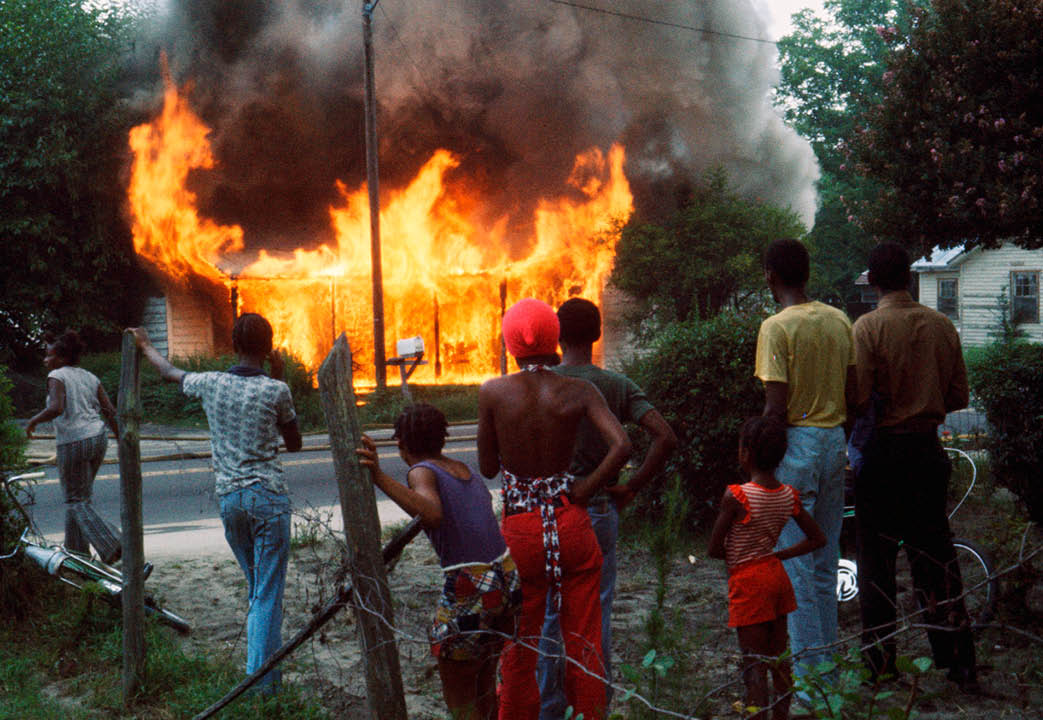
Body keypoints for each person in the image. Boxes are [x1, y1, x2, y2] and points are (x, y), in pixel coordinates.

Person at [477, 297, 632, 720]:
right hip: (571, 523)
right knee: (584, 640)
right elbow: (623, 445)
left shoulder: (493, 392)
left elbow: (489, 467)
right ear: (555, 339)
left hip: (521, 531)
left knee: (519, 645)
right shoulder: (580, 390)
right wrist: (584, 488)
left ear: (511, 343)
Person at [131, 314, 302, 692]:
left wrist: (145, 346)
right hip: (268, 498)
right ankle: (261, 686)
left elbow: (169, 373)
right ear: (269, 347)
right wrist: (280, 376)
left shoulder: (211, 383)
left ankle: (265, 678)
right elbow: (294, 443)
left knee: (260, 590)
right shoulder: (276, 391)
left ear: (233, 345)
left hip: (231, 501)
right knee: (266, 594)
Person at [538, 297, 677, 720]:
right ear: (597, 335)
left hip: (552, 515)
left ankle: (549, 708)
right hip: (599, 512)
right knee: (596, 613)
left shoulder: (540, 385)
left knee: (549, 615)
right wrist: (630, 486)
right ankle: (594, 707)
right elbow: (664, 437)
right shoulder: (615, 385)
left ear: (557, 336)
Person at [852, 242, 978, 690]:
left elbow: (860, 397)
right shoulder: (942, 325)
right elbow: (959, 396)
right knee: (936, 557)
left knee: (878, 561)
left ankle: (881, 665)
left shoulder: (867, 328)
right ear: (907, 276)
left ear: (874, 280)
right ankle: (959, 661)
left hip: (884, 455)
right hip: (927, 453)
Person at [357, 403, 521, 720]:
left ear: (401, 444)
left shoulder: (421, 471)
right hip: (507, 577)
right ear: (442, 438)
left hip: (471, 583)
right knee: (484, 681)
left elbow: (431, 513)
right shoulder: (462, 469)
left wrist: (378, 476)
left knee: (460, 697)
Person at [754, 238, 855, 682]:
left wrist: (757, 456)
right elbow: (854, 393)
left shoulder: (776, 327)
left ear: (771, 276)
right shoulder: (838, 320)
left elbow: (775, 406)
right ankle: (828, 677)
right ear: (807, 274)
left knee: (794, 564)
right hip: (835, 441)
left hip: (797, 444)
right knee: (825, 559)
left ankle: (811, 687)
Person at [708, 416, 826, 720]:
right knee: (779, 658)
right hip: (776, 576)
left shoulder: (736, 496)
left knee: (754, 663)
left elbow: (713, 548)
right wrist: (781, 554)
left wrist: (738, 556)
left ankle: (757, 716)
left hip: (749, 583)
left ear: (745, 453)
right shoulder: (789, 495)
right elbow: (817, 539)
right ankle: (781, 716)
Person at [26, 330, 122, 564]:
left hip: (74, 442)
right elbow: (109, 411)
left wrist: (33, 420)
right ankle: (77, 554)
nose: (45, 360)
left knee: (74, 501)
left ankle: (113, 544)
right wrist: (120, 438)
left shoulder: (57, 376)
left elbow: (57, 408)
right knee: (81, 499)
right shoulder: (90, 376)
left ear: (61, 357)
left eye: (48, 356)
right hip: (98, 439)